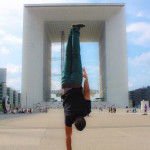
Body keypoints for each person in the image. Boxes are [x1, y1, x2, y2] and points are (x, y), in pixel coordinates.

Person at [61, 24, 91, 150]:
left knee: (76, 55)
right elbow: (68, 138)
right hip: (66, 83)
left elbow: (87, 93)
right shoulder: (69, 119)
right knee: (68, 56)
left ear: (84, 119)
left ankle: (76, 30)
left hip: (77, 81)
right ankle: (70, 32)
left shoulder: (86, 111)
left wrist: (86, 77)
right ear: (74, 123)